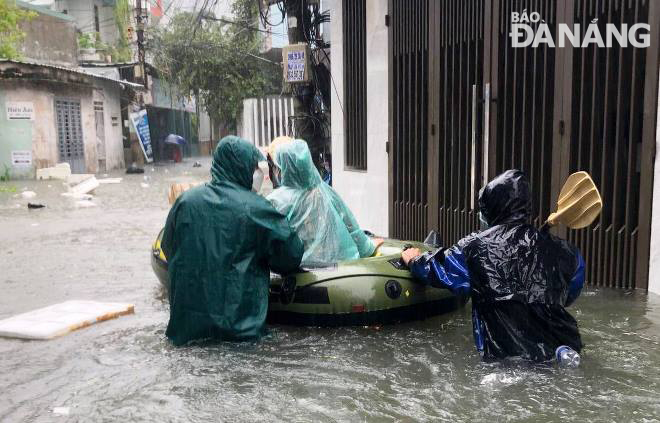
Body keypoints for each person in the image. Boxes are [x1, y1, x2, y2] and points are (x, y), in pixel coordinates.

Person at [402, 169, 585, 361]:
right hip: (566, 350)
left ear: (492, 208)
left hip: (509, 358)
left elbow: (439, 270)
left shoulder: (474, 248)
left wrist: (414, 260)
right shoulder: (568, 252)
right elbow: (567, 296)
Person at [161, 136, 304, 346]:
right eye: (254, 166)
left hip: (184, 337)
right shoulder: (257, 209)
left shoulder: (185, 203)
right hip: (240, 337)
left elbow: (167, 248)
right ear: (241, 166)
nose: (258, 172)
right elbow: (291, 256)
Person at [267, 138, 383, 266]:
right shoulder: (325, 190)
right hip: (340, 268)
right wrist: (367, 248)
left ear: (282, 166)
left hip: (299, 273)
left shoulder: (276, 200)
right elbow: (351, 226)